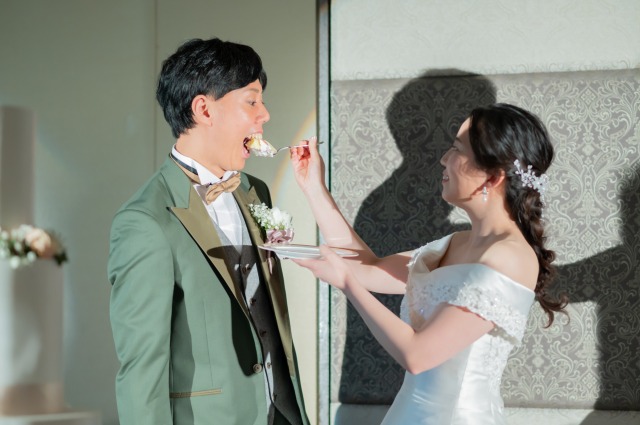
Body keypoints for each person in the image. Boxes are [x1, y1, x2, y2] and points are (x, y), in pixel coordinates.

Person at [290, 103, 567, 424]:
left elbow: (418, 355)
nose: (444, 159)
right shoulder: (456, 244)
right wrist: (314, 188)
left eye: (456, 149)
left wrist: (346, 285)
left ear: (492, 177)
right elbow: (367, 268)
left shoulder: (510, 257)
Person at [108, 37, 309, 425]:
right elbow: (141, 369)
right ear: (203, 109)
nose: (265, 114)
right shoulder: (145, 220)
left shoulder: (255, 191)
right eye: (251, 101)